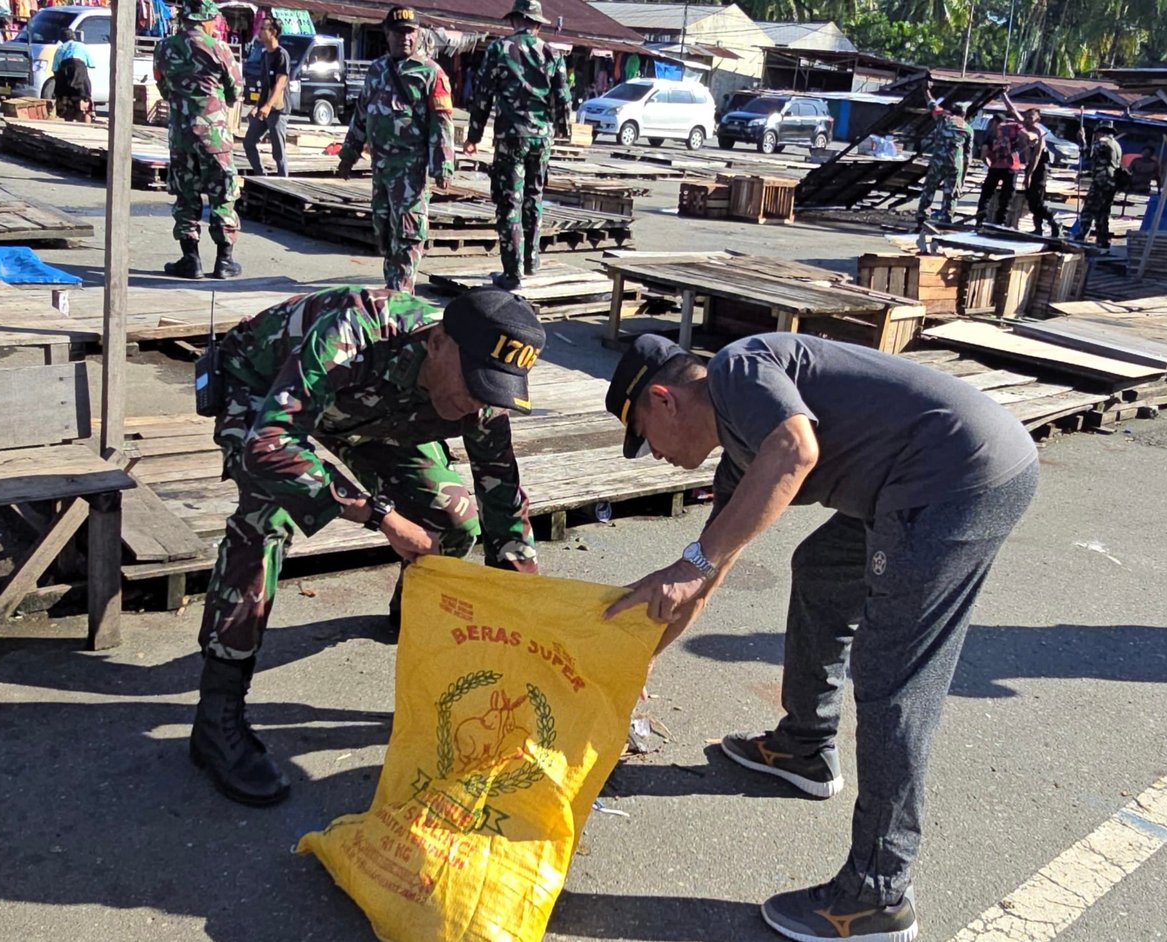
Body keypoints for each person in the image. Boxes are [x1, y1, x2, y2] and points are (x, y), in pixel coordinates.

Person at [601, 332, 1038, 942]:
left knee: (894, 678)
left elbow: (795, 448)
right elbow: (707, 577)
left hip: (957, 477)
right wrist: (635, 659)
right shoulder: (737, 452)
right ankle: (805, 745)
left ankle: (877, 893)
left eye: (644, 435)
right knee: (822, 570)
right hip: (915, 482)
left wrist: (689, 563)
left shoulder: (737, 368)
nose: (654, 454)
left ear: (665, 399)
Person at [190, 285, 545, 806]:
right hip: (268, 392)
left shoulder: (479, 380)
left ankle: (413, 612)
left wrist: (534, 620)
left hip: (373, 415)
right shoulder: (354, 334)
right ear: (439, 342)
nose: (476, 401)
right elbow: (271, 443)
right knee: (267, 517)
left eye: (491, 390)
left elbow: (500, 489)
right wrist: (381, 515)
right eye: (473, 385)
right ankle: (216, 716)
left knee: (455, 520)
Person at [337, 6, 455, 291]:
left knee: (408, 232)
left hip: (410, 170)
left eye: (410, 32)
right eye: (399, 32)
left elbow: (442, 122)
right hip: (381, 167)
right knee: (385, 229)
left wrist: (442, 165)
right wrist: (348, 155)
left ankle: (401, 293)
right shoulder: (377, 69)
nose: (405, 38)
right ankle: (394, 285)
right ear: (387, 34)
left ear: (418, 35)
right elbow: (362, 114)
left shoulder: (431, 73)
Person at [462, 0, 571, 290]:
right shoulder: (552, 52)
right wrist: (563, 130)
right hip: (541, 137)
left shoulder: (499, 50)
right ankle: (531, 260)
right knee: (534, 196)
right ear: (536, 23)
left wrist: (473, 136)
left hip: (511, 135)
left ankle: (512, 273)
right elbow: (562, 97)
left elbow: (483, 96)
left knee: (510, 201)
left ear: (515, 20)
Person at [154, 0, 244, 279]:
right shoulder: (219, 49)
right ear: (206, 20)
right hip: (214, 135)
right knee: (222, 195)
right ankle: (224, 261)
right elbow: (235, 91)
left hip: (181, 134)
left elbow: (163, 88)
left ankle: (190, 260)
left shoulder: (164, 48)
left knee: (186, 194)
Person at [242, 18, 290, 177]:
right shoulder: (264, 56)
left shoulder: (281, 55)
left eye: (264, 28)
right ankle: (261, 176)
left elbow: (280, 82)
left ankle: (284, 182)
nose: (260, 32)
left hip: (277, 109)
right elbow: (265, 85)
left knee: (278, 152)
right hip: (264, 108)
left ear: (273, 32)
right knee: (249, 142)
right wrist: (257, 106)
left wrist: (268, 106)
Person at [914, 101, 971, 225]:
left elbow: (933, 106)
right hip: (955, 165)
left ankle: (922, 217)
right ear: (964, 114)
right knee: (951, 194)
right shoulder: (968, 128)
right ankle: (946, 220)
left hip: (938, 162)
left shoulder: (943, 119)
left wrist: (926, 90)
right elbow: (967, 157)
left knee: (929, 188)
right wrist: (962, 179)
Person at [975, 110, 1028, 226]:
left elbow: (983, 154)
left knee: (986, 194)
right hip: (1011, 167)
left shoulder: (991, 134)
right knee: (1006, 196)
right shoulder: (1013, 131)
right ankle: (1001, 222)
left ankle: (980, 219)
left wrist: (988, 162)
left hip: (995, 167)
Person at [1017, 106, 1059, 237]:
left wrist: (1029, 175)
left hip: (1039, 170)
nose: (1028, 120)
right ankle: (1038, 228)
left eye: (1031, 117)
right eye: (1027, 117)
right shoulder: (1027, 132)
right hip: (1030, 168)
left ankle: (1054, 221)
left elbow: (1036, 156)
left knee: (1037, 202)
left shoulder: (1040, 133)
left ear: (1037, 119)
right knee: (1031, 201)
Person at [1080, 121, 1122, 250]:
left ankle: (1082, 235)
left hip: (1101, 182)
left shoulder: (1103, 141)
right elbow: (1104, 162)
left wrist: (1082, 141)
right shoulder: (1116, 144)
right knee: (1103, 212)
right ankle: (1103, 239)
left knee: (1089, 209)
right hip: (1111, 182)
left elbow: (1087, 155)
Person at [50, 28, 94, 123]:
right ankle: (87, 128)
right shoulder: (82, 46)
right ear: (73, 36)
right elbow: (91, 64)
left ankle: (68, 120)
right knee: (86, 107)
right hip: (80, 77)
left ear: (62, 39)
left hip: (64, 78)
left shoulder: (60, 49)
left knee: (66, 108)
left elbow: (55, 69)